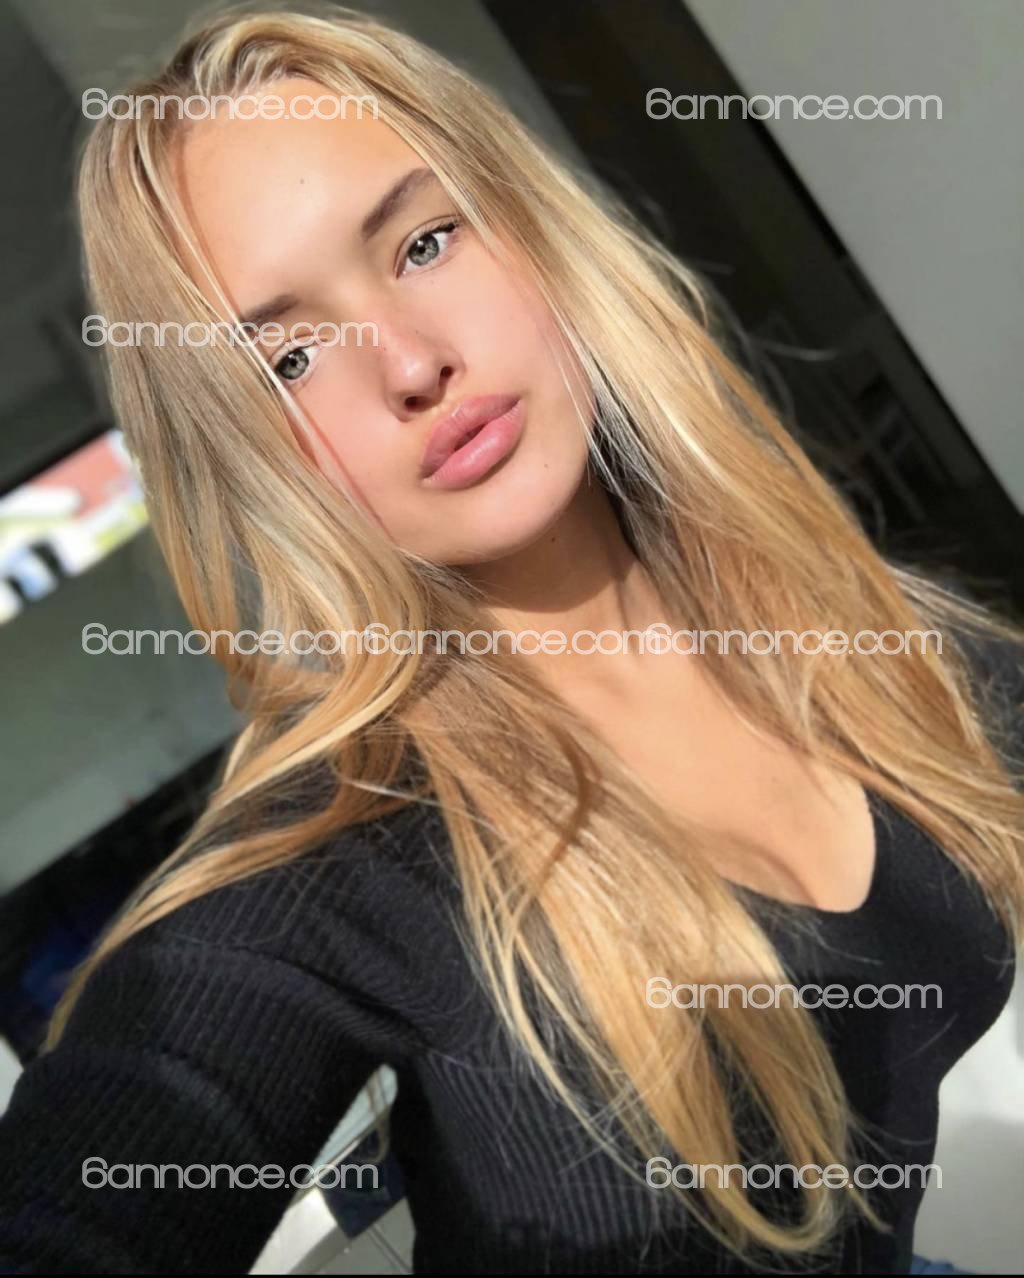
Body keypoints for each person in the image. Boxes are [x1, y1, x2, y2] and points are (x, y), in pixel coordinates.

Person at [1, 6, 1022, 1274]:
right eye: (290, 357)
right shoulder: (341, 869)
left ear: (532, 230)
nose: (410, 364)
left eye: (424, 242)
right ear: (249, 454)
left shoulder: (878, 642)